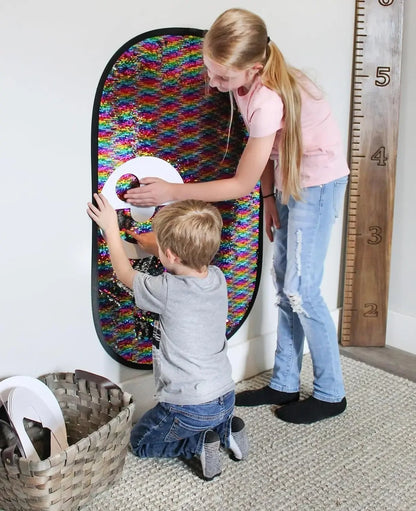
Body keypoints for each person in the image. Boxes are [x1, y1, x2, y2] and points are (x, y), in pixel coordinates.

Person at [124, 8, 350, 424]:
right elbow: (264, 156)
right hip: (287, 179)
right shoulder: (244, 85)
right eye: (210, 72)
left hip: (316, 184)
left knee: (302, 291)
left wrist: (173, 191)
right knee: (285, 287)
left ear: (254, 68)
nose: (214, 84)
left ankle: (331, 392)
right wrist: (269, 197)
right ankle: (284, 380)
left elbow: (238, 183)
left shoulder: (267, 99)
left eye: (223, 78)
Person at [87, 195, 249, 480]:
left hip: (189, 405)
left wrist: (111, 228)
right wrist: (164, 246)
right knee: (215, 418)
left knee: (140, 441)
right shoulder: (217, 277)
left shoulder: (167, 289)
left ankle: (197, 444)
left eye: (159, 245)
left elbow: (124, 273)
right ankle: (229, 433)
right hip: (225, 394)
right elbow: (183, 258)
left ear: (171, 255)